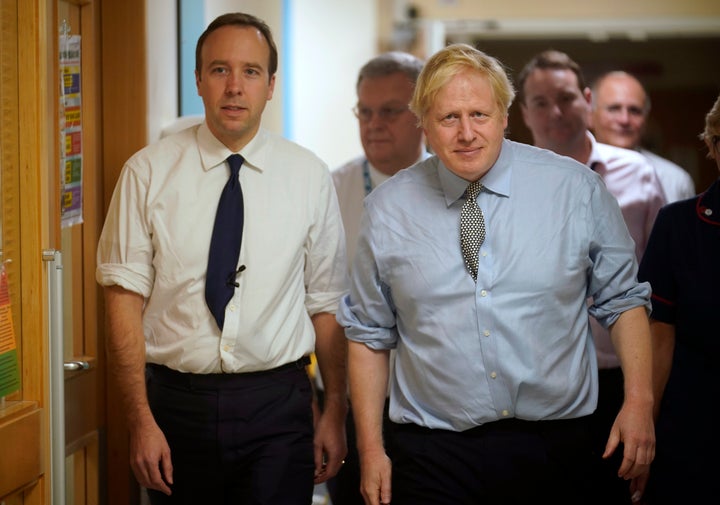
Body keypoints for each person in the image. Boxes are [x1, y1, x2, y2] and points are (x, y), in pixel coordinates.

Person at [337, 42, 655, 505]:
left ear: (505, 115)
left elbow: (623, 301)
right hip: (433, 453)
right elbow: (368, 333)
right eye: (449, 118)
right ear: (423, 122)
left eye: (480, 115)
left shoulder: (575, 190)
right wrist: (371, 448)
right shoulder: (387, 210)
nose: (466, 133)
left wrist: (639, 404)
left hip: (559, 447)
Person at [96, 12, 348, 505]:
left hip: (278, 406)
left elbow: (327, 304)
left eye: (251, 72)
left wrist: (333, 412)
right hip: (175, 407)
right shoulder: (146, 173)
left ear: (271, 85)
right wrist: (139, 421)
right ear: (198, 79)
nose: (235, 87)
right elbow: (121, 301)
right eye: (219, 70)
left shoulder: (309, 176)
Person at [517, 49, 665, 504]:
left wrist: (648, 397)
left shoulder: (639, 176)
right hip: (536, 384)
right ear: (523, 113)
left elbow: (661, 288)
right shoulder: (504, 183)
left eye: (564, 98)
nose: (555, 112)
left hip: (618, 378)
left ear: (586, 99)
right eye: (539, 102)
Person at [324, 50, 427, 505]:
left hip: (433, 401)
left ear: (422, 113)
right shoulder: (331, 190)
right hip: (355, 398)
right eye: (364, 112)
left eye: (390, 111)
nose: (374, 123)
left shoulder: (455, 184)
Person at [636, 93, 720, 504]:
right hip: (694, 425)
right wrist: (644, 432)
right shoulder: (679, 224)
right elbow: (659, 336)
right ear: (713, 146)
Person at [591, 70, 696, 202]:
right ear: (590, 114)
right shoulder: (571, 174)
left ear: (646, 119)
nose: (624, 120)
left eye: (635, 111)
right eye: (614, 108)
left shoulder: (675, 181)